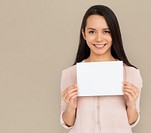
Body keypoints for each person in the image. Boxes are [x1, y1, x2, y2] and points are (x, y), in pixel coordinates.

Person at [60, 5, 143, 133]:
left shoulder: (131, 74)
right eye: (92, 31)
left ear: (114, 34)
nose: (99, 38)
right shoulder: (70, 74)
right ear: (84, 34)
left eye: (106, 31)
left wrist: (131, 103)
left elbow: (132, 122)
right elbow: (68, 123)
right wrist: (71, 106)